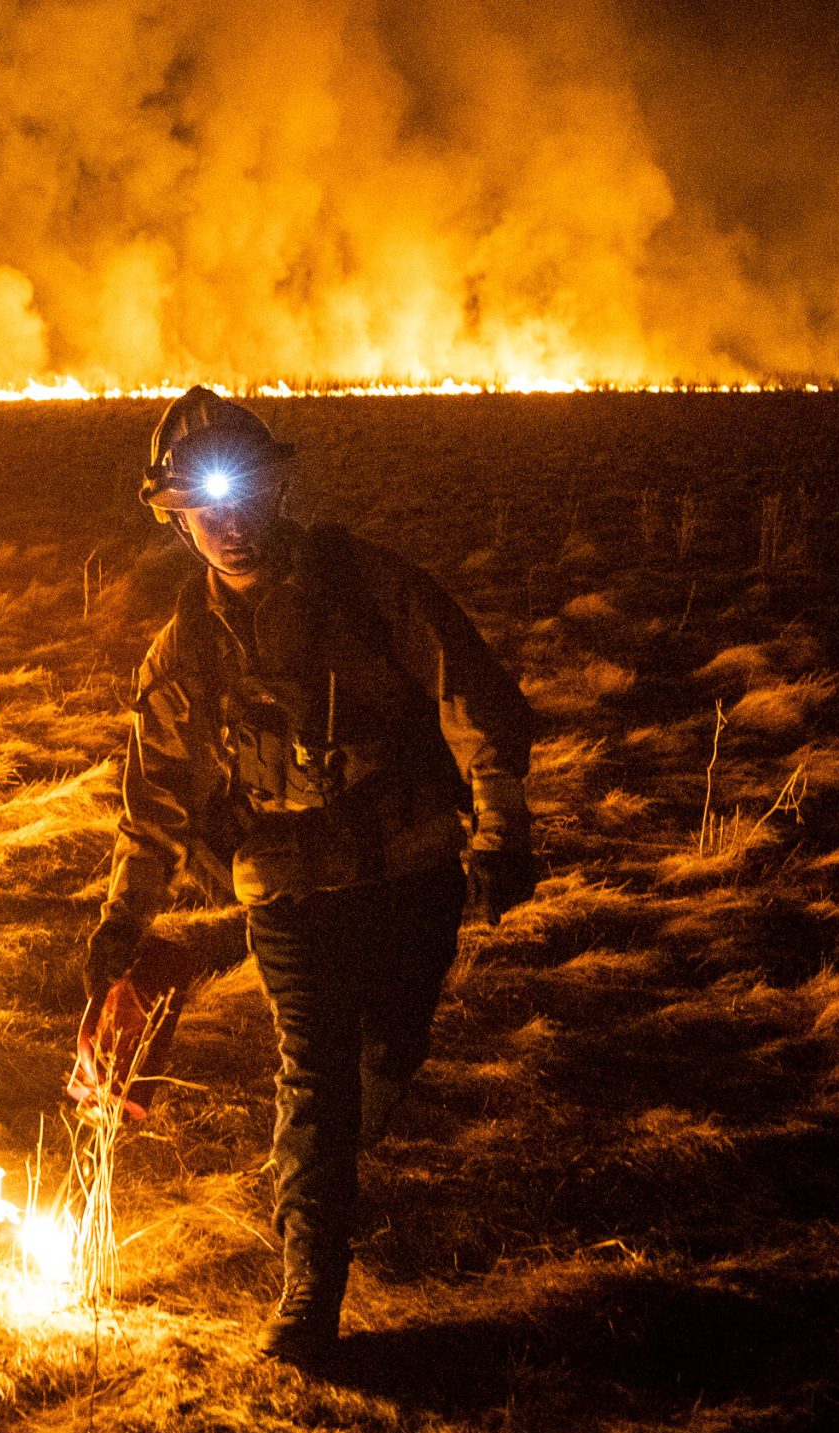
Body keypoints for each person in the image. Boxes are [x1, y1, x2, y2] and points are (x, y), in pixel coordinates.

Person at [79, 385, 539, 1361]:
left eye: (243, 499)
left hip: (411, 873)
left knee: (385, 1061)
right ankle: (307, 1297)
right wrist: (123, 925)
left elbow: (471, 701)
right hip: (284, 894)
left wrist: (501, 831)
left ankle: (338, 1161)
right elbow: (150, 802)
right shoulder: (184, 653)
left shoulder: (370, 588)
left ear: (276, 490)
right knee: (315, 1082)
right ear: (178, 520)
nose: (229, 525)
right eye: (205, 511)